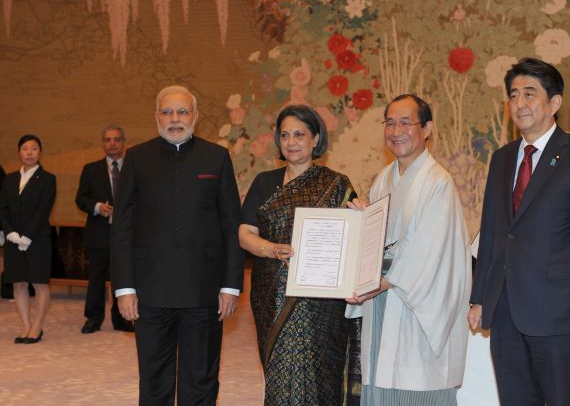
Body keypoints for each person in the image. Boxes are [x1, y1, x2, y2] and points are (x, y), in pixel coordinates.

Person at [468, 57, 570, 406]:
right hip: (504, 310)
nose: (519, 104)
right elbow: (492, 233)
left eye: (530, 94)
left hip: (559, 313)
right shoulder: (502, 159)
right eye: (514, 95)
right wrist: (479, 297)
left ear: (554, 102)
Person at [110, 85, 244, 405]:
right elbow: (123, 227)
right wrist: (124, 288)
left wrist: (231, 285)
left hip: (204, 290)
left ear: (195, 116)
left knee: (201, 375)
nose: (175, 119)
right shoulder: (138, 158)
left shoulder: (217, 157)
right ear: (156, 116)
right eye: (167, 112)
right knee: (154, 376)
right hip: (149, 289)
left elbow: (231, 226)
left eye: (182, 111)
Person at [346, 94, 472, 405]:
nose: (396, 130)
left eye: (406, 122)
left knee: (415, 383)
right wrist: (362, 222)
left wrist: (384, 282)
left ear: (427, 128)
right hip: (382, 298)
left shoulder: (437, 182)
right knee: (381, 379)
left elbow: (431, 251)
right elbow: (381, 239)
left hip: (415, 300)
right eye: (390, 123)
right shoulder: (384, 179)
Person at [239, 105, 358, 405]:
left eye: (299, 134)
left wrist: (362, 219)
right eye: (285, 135)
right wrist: (270, 249)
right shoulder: (264, 182)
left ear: (316, 139)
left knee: (321, 375)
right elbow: (244, 233)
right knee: (280, 375)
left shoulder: (337, 184)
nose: (291, 142)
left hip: (323, 303)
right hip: (273, 295)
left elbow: (353, 239)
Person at [76, 124, 134, 334]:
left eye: (116, 139)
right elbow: (80, 199)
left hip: (127, 234)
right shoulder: (90, 169)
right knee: (97, 278)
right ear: (103, 144)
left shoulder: (133, 166)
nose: (112, 143)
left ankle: (122, 318)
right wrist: (96, 207)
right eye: (108, 140)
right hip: (99, 233)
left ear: (123, 142)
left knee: (123, 277)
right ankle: (93, 318)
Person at [0, 135, 56, 344]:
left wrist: (28, 236)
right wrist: (10, 232)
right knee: (19, 283)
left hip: (38, 239)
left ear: (40, 153)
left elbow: (44, 210)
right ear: (19, 153)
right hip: (13, 239)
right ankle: (25, 325)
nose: (30, 152)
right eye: (25, 148)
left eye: (34, 148)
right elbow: (2, 208)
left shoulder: (48, 178)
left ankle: (37, 327)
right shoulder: (9, 179)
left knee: (39, 283)